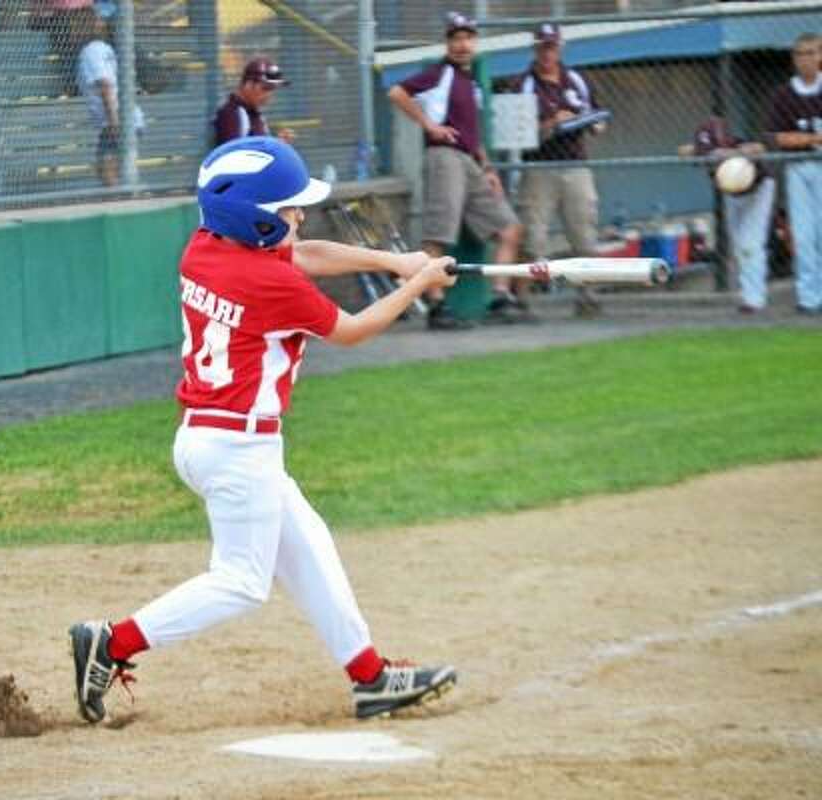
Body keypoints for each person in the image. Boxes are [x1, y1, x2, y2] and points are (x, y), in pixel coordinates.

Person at [68, 136, 459, 725]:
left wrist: (397, 262)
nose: (298, 217)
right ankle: (112, 642)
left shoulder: (205, 248)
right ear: (253, 220)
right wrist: (414, 286)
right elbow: (352, 329)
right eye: (286, 209)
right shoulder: (268, 285)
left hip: (210, 437)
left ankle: (370, 676)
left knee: (307, 544)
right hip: (237, 446)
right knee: (242, 582)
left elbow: (306, 253)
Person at [386, 11, 525, 330]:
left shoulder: (470, 80)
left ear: (475, 42)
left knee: (510, 229)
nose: (462, 45)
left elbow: (472, 132)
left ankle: (500, 298)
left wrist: (487, 168)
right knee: (439, 234)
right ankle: (436, 306)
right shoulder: (439, 74)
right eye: (456, 38)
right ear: (448, 43)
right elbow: (397, 92)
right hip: (444, 157)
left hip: (470, 161)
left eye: (467, 38)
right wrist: (429, 125)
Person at [511, 22, 606, 318]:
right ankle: (521, 302)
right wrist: (552, 124)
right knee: (532, 239)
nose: (547, 53)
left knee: (584, 235)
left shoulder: (575, 79)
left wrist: (585, 120)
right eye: (542, 47)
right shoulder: (523, 84)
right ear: (534, 48)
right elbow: (516, 136)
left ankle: (588, 299)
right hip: (539, 167)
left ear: (560, 47)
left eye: (552, 47)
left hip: (576, 166)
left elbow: (599, 120)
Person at [678, 116, 773, 313]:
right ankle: (749, 294)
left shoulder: (737, 144)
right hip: (732, 196)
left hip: (759, 190)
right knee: (739, 246)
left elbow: (760, 147)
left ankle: (754, 299)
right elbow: (682, 151)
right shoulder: (703, 151)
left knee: (750, 243)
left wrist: (735, 152)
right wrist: (699, 151)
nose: (710, 158)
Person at [767, 32, 822, 315]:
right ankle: (809, 298)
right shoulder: (784, 94)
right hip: (798, 168)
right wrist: (814, 139)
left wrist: (802, 137)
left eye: (812, 52)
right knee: (803, 234)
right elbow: (779, 138)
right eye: (801, 54)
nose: (807, 59)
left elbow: (793, 136)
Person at [75, 0, 143, 187]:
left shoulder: (90, 51)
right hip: (127, 118)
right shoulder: (105, 48)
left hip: (115, 120)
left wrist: (113, 122)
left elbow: (105, 86)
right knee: (110, 169)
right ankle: (125, 196)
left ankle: (122, 203)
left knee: (107, 171)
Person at [212, 57, 295, 147]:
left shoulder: (255, 114)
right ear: (249, 84)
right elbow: (234, 156)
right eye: (266, 88)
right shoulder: (234, 114)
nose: (269, 95)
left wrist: (278, 145)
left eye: (273, 89)